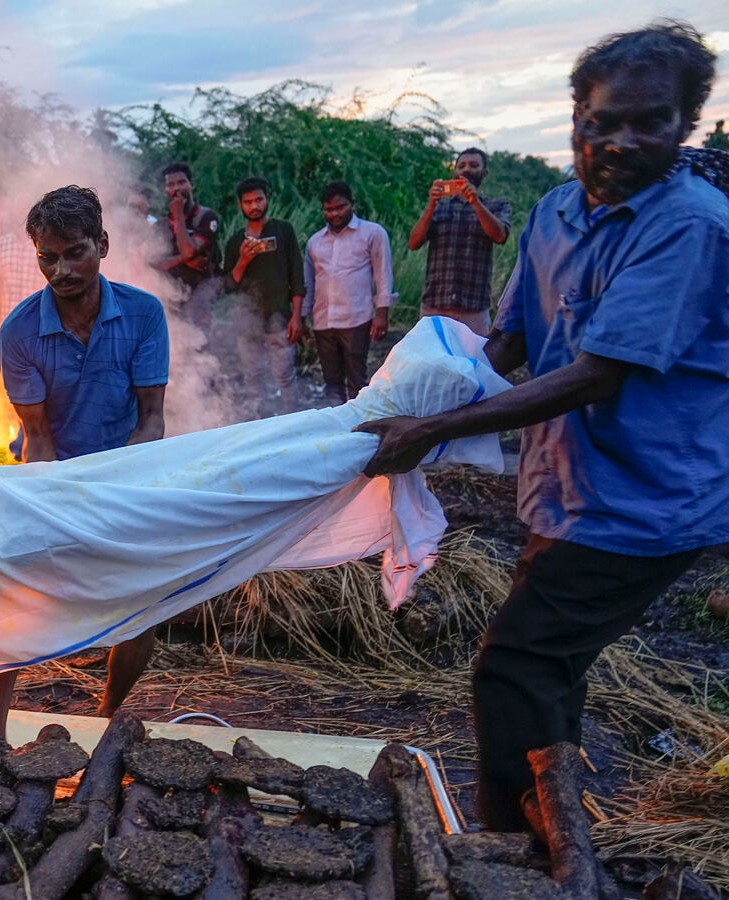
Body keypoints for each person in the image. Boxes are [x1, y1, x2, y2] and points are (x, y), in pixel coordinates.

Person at [358, 21, 729, 833]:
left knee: (513, 667)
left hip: (647, 498)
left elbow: (603, 371)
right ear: (575, 116)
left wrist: (437, 427)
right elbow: (513, 341)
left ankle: (506, 851)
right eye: (602, 121)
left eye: (650, 122)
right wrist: (418, 402)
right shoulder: (558, 211)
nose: (621, 141)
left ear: (686, 125)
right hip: (565, 487)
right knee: (549, 670)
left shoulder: (687, 226)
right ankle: (554, 838)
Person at [0, 185, 169, 735]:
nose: (60, 269)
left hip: (125, 475)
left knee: (139, 614)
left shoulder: (143, 314)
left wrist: (119, 496)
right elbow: (37, 438)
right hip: (52, 475)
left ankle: (107, 716)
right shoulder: (19, 330)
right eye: (47, 257)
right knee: (10, 606)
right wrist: (47, 509)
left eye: (74, 252)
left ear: (103, 244)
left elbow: (151, 420)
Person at [303, 181, 393, 406]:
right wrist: (303, 316)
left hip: (356, 319)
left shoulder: (372, 233)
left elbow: (383, 274)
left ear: (352, 204)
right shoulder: (315, 242)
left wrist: (382, 313)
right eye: (328, 209)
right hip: (323, 321)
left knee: (357, 380)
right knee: (331, 381)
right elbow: (309, 282)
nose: (334, 213)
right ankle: (338, 425)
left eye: (340, 207)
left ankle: (359, 426)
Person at [222, 177, 306, 417]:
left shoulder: (283, 230)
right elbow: (228, 285)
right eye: (247, 202)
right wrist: (243, 260)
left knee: (285, 375)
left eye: (258, 199)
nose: (254, 206)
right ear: (240, 205)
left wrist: (297, 317)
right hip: (247, 323)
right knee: (252, 377)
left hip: (280, 318)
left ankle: (293, 421)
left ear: (267, 199)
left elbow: (297, 276)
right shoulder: (236, 241)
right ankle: (257, 424)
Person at [408, 148, 512, 335]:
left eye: (474, 165)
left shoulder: (498, 205)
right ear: (454, 172)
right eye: (461, 166)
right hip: (435, 304)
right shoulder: (439, 206)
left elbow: (499, 236)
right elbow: (414, 243)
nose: (466, 170)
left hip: (474, 306)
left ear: (484, 173)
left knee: (471, 362)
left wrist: (475, 202)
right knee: (432, 363)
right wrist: (431, 205)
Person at [154, 162, 222, 328]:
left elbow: (190, 249)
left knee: (199, 350)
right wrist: (183, 258)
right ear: (165, 190)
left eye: (181, 182)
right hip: (169, 302)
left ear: (192, 185)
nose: (176, 188)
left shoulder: (206, 217)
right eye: (170, 184)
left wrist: (178, 216)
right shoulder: (161, 225)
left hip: (200, 302)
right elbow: (153, 264)